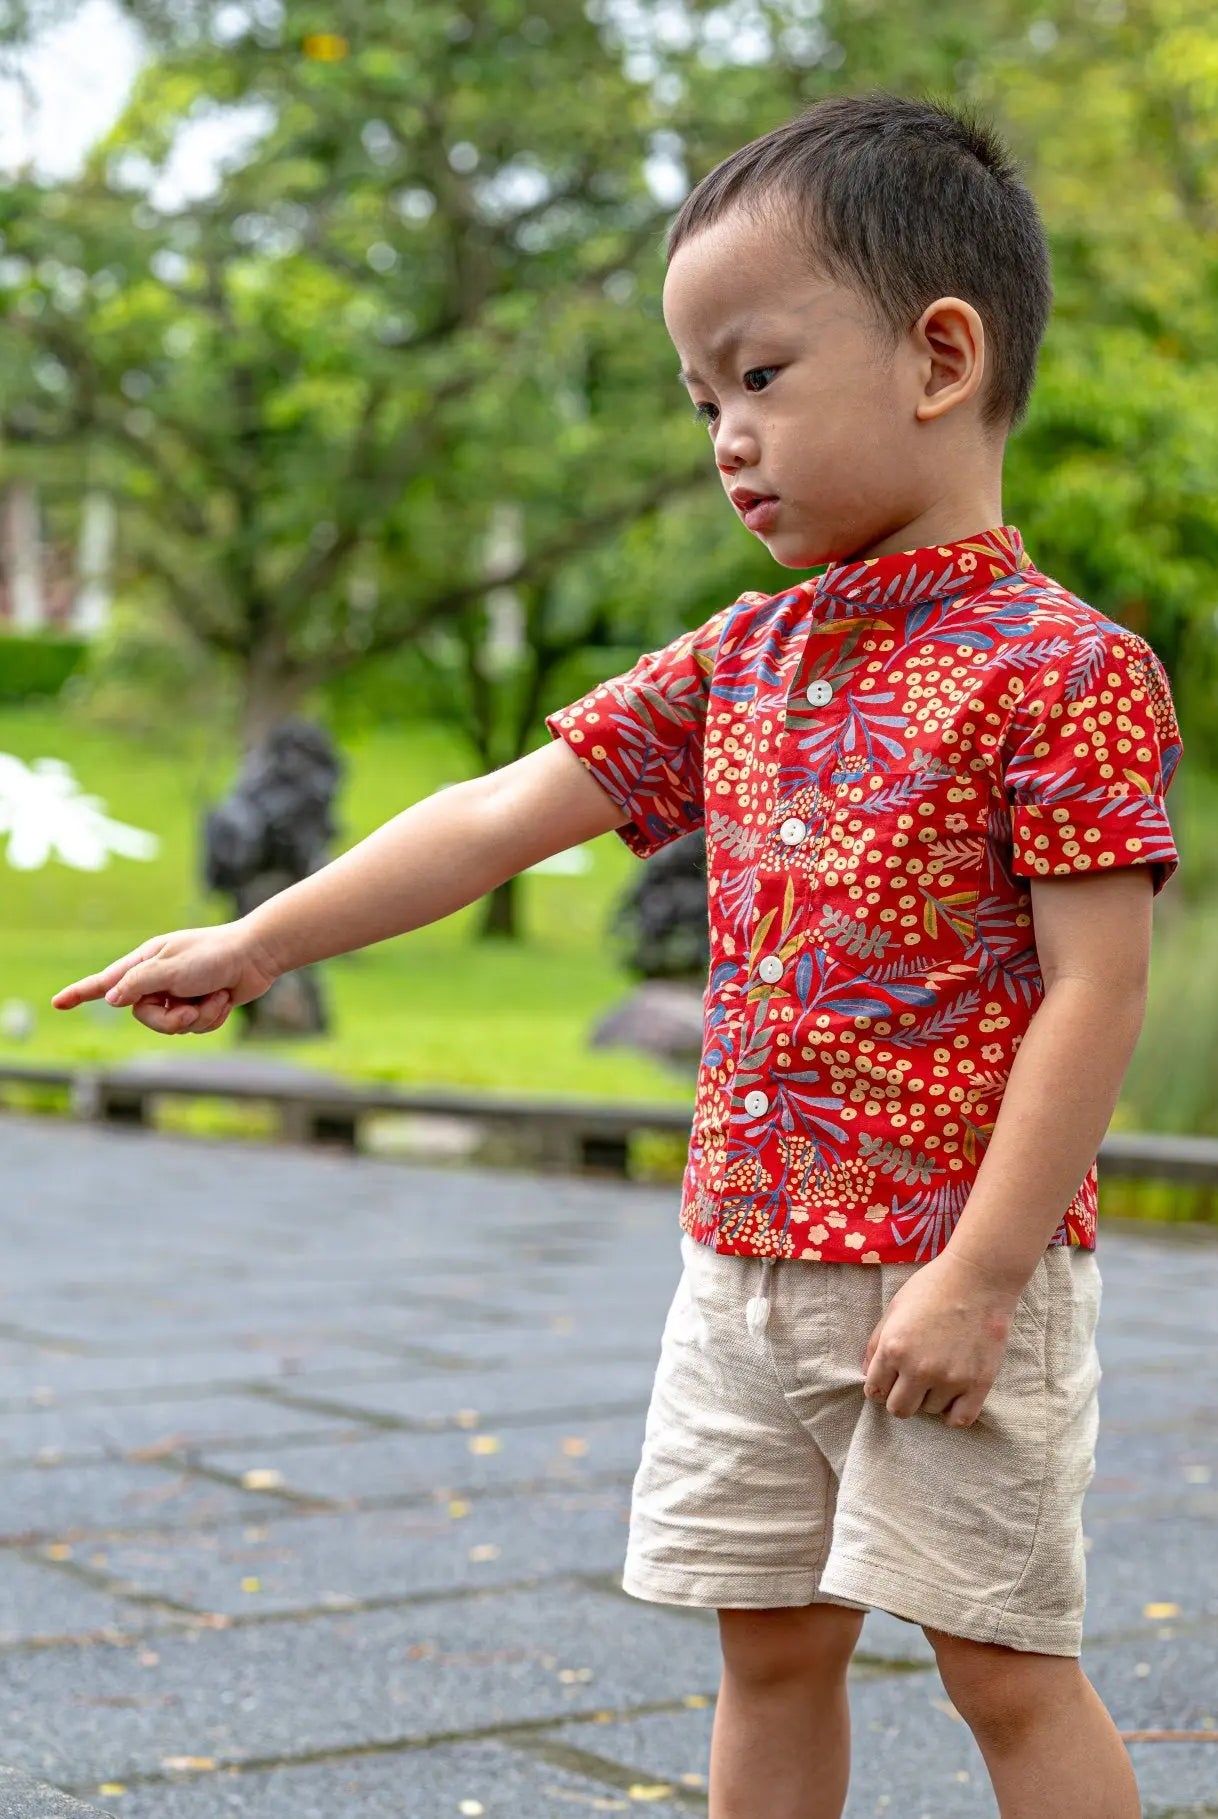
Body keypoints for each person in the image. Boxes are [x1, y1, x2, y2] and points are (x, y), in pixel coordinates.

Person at [52, 93, 1182, 1819]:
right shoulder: (743, 654)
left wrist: (979, 1274)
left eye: (760, 375)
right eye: (701, 399)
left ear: (939, 356)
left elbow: (1098, 989)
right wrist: (261, 938)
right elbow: (504, 809)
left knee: (1002, 1666)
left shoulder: (1062, 667)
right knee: (768, 1647)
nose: (726, 436)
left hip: (951, 1263)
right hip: (742, 1262)